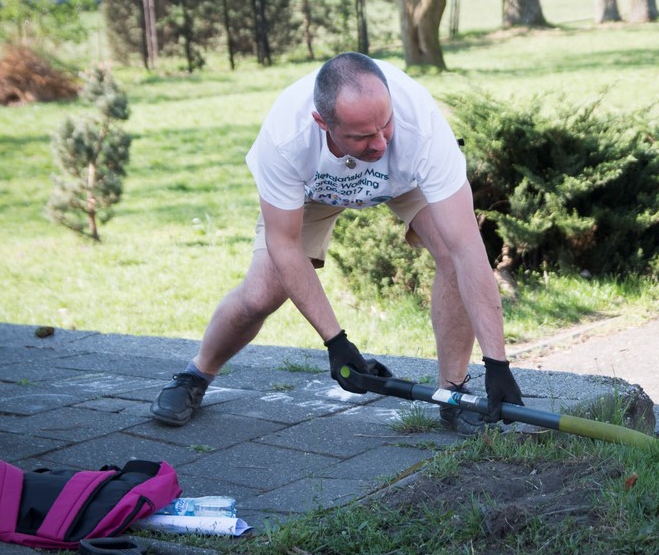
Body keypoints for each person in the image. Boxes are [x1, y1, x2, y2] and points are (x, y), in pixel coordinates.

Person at [150, 52, 524, 433]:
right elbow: (285, 245)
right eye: (362, 136)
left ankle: (453, 395)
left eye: (385, 126)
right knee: (260, 294)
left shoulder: (421, 126)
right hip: (314, 190)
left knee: (451, 254)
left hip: (403, 181)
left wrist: (497, 363)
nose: (379, 144)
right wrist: (336, 342)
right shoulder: (286, 137)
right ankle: (196, 374)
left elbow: (467, 249)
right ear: (322, 122)